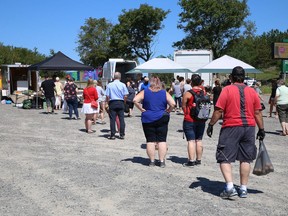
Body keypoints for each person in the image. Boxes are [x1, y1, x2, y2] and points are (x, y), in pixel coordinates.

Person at [206, 66, 265, 199]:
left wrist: (211, 125)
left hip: (231, 126)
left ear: (231, 77)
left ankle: (230, 187)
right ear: (244, 78)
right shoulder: (252, 91)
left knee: (224, 156)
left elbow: (219, 110)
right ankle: (243, 188)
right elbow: (258, 112)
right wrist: (261, 129)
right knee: (245, 158)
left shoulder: (227, 90)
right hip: (249, 127)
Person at [133, 76, 175, 168]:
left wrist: (141, 109)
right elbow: (173, 103)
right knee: (162, 140)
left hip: (148, 117)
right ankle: (161, 161)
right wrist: (168, 110)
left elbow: (135, 100)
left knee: (150, 140)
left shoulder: (145, 92)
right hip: (162, 117)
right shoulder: (164, 93)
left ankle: (152, 161)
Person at [182, 74, 207, 167]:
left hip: (190, 119)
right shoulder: (204, 93)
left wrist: (186, 113)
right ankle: (199, 159)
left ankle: (191, 160)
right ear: (200, 82)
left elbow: (183, 105)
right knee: (199, 140)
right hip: (201, 119)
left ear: (191, 82)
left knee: (191, 141)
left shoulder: (188, 93)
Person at [105, 72, 129, 140]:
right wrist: (124, 102)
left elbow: (107, 96)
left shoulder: (109, 85)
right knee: (121, 119)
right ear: (120, 77)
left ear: (113, 77)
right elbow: (126, 95)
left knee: (112, 119)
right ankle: (122, 134)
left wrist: (107, 102)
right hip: (120, 102)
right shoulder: (123, 85)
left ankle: (112, 135)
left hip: (112, 102)